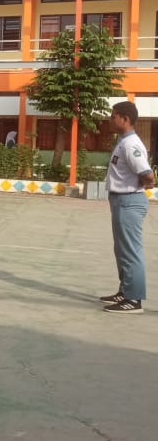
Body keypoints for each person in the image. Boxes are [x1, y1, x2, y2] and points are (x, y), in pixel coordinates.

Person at [100, 101, 155, 314]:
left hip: (129, 200)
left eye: (113, 116)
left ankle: (133, 300)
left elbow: (148, 175)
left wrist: (143, 183)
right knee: (122, 250)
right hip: (121, 200)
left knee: (131, 251)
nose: (110, 119)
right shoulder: (123, 141)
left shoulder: (131, 144)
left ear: (125, 119)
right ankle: (125, 291)